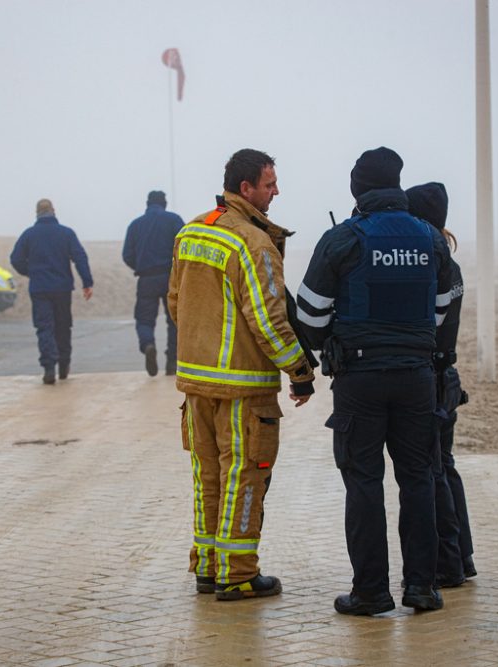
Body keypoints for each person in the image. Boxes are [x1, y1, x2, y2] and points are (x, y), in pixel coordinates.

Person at [296, 147, 453, 615]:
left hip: (359, 379)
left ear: (356, 189)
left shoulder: (342, 237)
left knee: (364, 482)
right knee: (419, 479)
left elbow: (308, 313)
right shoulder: (430, 237)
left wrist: (334, 342)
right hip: (416, 376)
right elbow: (442, 309)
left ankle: (371, 592)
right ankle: (421, 588)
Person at [168, 148, 315, 601]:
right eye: (270, 185)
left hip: (195, 384)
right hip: (242, 389)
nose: (277, 192)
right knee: (244, 476)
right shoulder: (253, 243)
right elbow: (270, 319)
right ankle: (239, 575)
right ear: (246, 188)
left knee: (207, 478)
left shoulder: (192, 232)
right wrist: (300, 370)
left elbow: (176, 302)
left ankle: (208, 567)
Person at [406, 182, 476, 587]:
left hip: (432, 375)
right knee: (444, 468)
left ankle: (447, 563)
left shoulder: (436, 264)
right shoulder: (449, 261)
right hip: (445, 374)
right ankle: (461, 556)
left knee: (433, 471)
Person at [10, 198, 93, 384]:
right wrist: (87, 282)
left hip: (39, 288)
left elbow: (15, 259)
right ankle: (64, 364)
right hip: (62, 288)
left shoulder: (29, 235)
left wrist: (30, 272)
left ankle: (49, 366)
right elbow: (80, 258)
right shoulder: (66, 233)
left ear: (37, 213)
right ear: (53, 211)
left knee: (44, 327)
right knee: (63, 326)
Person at [122, 190, 185, 376]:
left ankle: (148, 344)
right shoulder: (174, 220)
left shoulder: (135, 225)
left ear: (147, 204)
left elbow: (127, 255)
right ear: (164, 203)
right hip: (170, 277)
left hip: (146, 279)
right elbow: (185, 245)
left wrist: (140, 266)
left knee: (144, 319)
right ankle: (172, 361)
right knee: (174, 320)